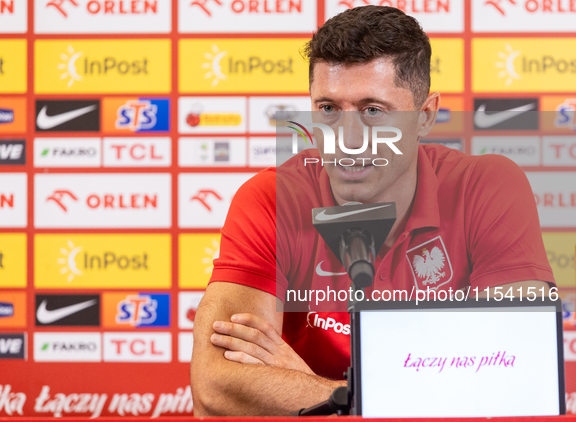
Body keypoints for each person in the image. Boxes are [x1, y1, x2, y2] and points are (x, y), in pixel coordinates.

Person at [190, 5, 555, 416]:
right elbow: (216, 391)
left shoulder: (487, 187)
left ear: (425, 116)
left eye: (373, 111)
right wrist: (428, 392)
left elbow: (515, 381)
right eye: (328, 109)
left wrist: (330, 395)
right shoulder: (271, 197)